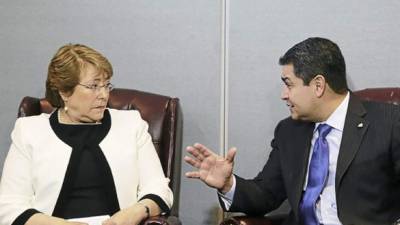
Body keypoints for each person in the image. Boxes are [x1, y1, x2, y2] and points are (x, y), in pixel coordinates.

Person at [185, 37, 400, 225]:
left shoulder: (389, 123)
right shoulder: (289, 131)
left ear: (318, 85)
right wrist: (228, 184)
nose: (284, 95)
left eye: (289, 84)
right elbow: (266, 195)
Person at [0, 44, 173, 225]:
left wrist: (134, 213)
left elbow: (159, 188)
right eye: (93, 86)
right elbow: (10, 206)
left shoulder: (131, 125)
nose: (103, 94)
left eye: (106, 85)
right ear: (64, 91)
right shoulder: (29, 131)